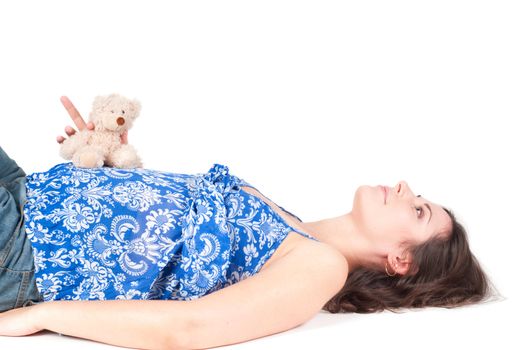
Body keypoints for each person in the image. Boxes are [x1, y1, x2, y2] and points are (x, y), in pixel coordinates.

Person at [0, 96, 493, 349]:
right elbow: (171, 239)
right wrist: (101, 169)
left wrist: (41, 317)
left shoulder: (320, 267)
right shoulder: (292, 225)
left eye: (419, 210)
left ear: (401, 259)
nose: (405, 187)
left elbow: (189, 329)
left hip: (22, 250)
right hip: (30, 191)